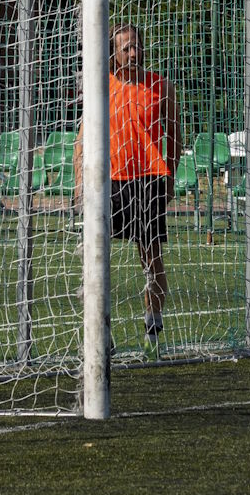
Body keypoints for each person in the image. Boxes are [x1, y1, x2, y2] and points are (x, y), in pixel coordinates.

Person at [74, 23, 182, 347]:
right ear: (114, 53)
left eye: (136, 46)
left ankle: (153, 326)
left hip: (149, 181)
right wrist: (80, 183)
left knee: (152, 259)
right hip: (109, 183)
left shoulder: (160, 87)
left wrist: (170, 177)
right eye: (125, 48)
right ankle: (101, 330)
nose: (132, 53)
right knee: (97, 257)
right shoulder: (100, 86)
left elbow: (175, 136)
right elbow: (82, 139)